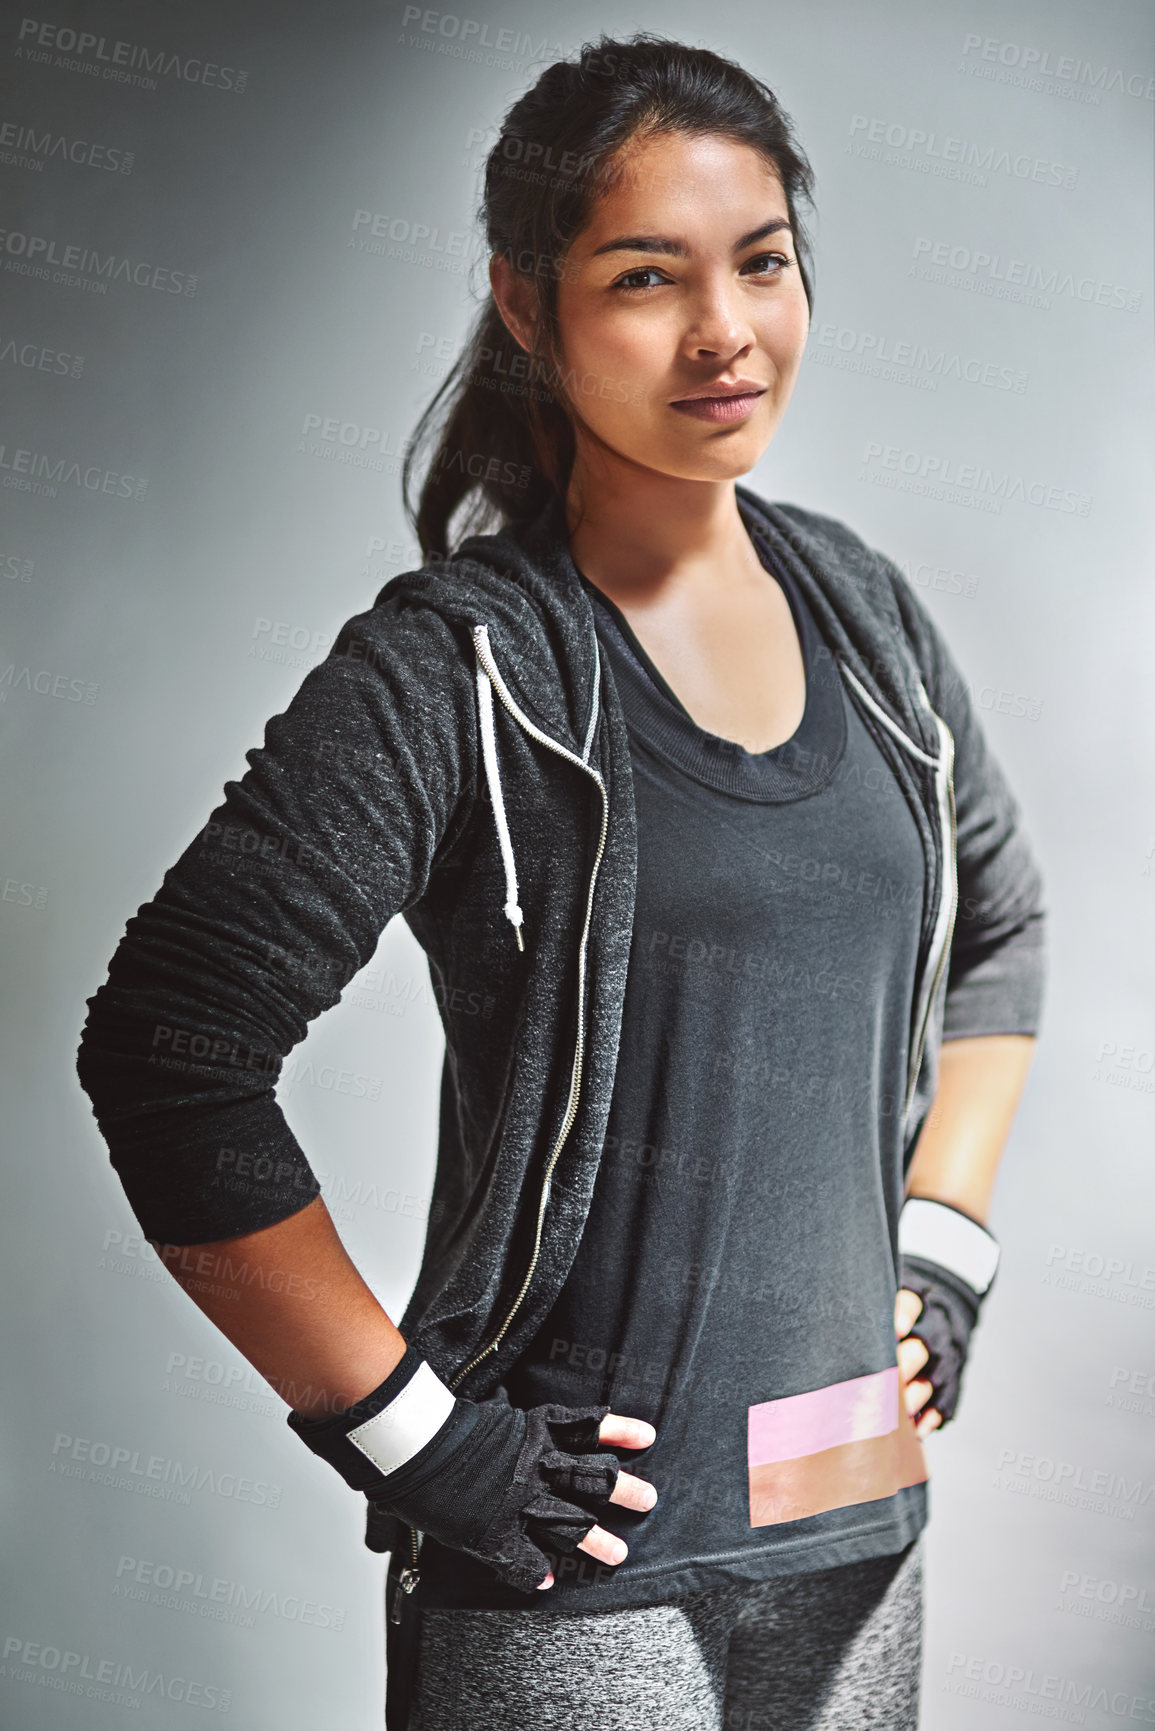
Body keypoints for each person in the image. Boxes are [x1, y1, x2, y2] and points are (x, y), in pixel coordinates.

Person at [75, 32, 1047, 1731]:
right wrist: (410, 1434)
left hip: (855, 1514)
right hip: (584, 1567)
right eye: (645, 279)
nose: (723, 332)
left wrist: (943, 1248)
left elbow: (1004, 927)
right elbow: (171, 1051)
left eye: (761, 263)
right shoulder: (463, 666)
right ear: (527, 309)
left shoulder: (869, 616)